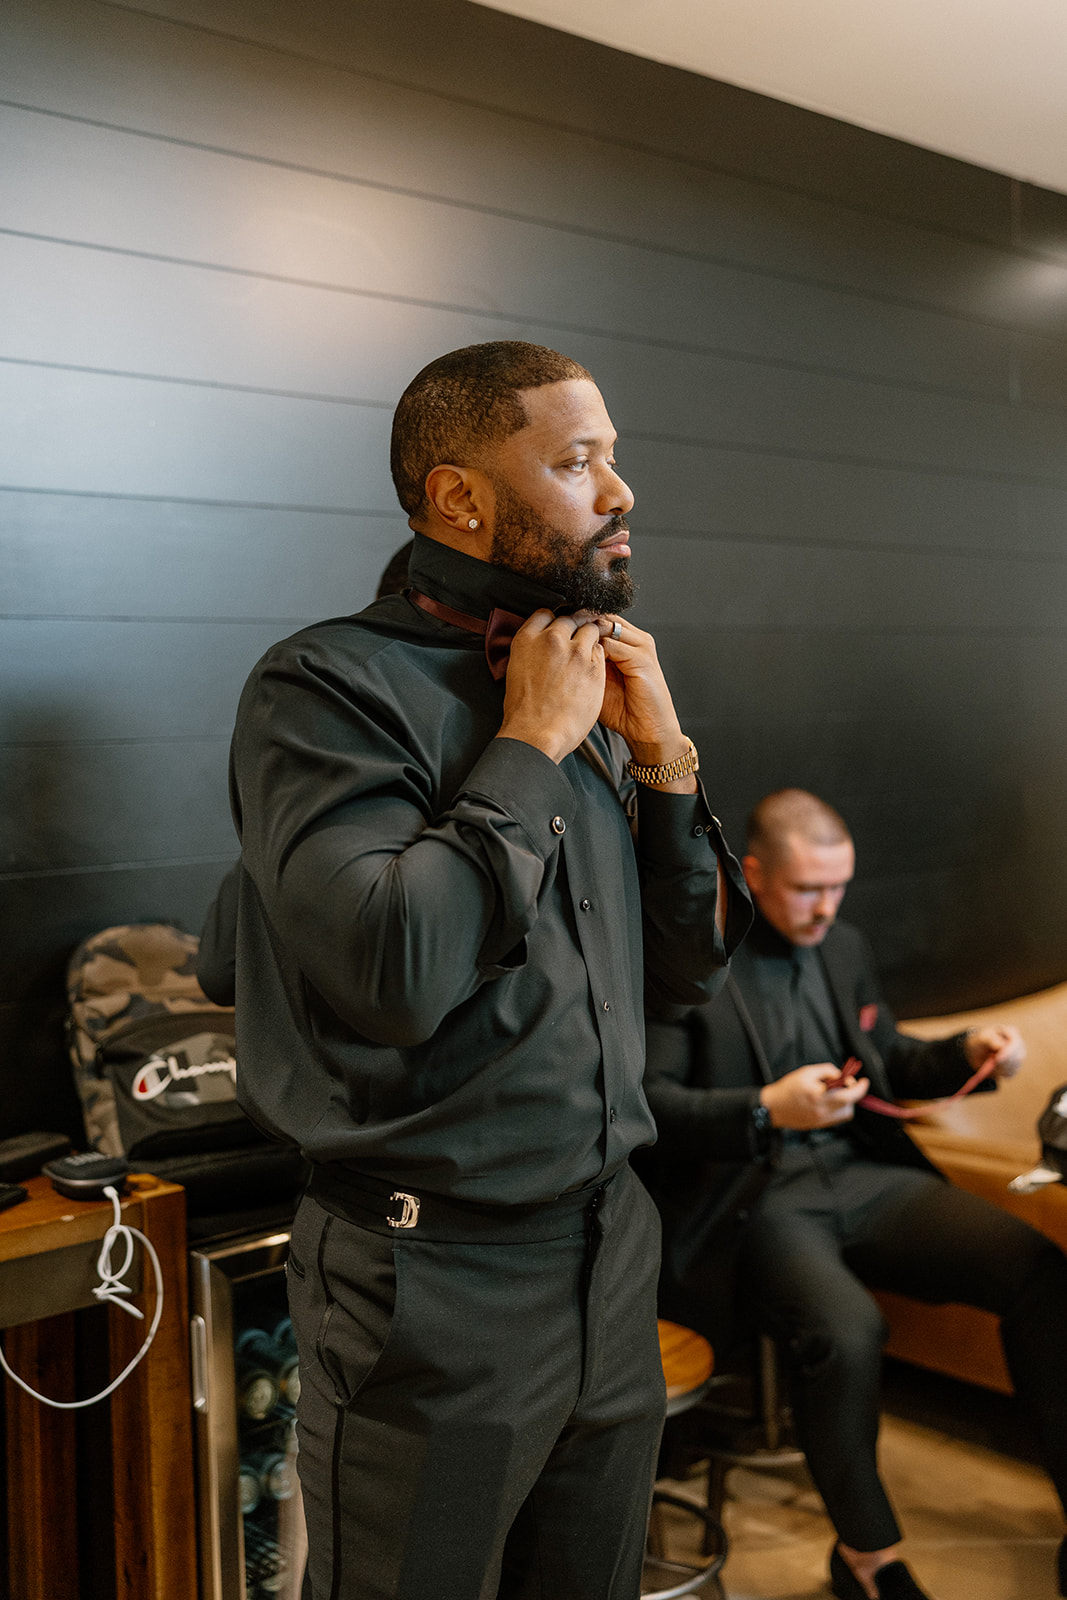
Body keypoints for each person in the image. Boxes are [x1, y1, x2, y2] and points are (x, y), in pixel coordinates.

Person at [226, 341, 751, 1600]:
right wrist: (526, 743)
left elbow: (682, 977)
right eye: (577, 462)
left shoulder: (580, 682)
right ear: (459, 496)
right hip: (432, 1284)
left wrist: (664, 757)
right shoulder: (323, 688)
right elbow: (393, 970)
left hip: (613, 1249)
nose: (619, 491)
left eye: (613, 457)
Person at [640, 787, 1067, 1600]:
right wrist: (767, 1109)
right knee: (846, 1329)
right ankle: (866, 1559)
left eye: (838, 887)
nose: (825, 908)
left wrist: (964, 1052)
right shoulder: (692, 962)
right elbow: (646, 1108)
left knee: (1038, 1270)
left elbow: (886, 1061)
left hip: (860, 1173)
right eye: (807, 889)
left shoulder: (842, 945)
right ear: (753, 872)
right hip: (754, 1196)